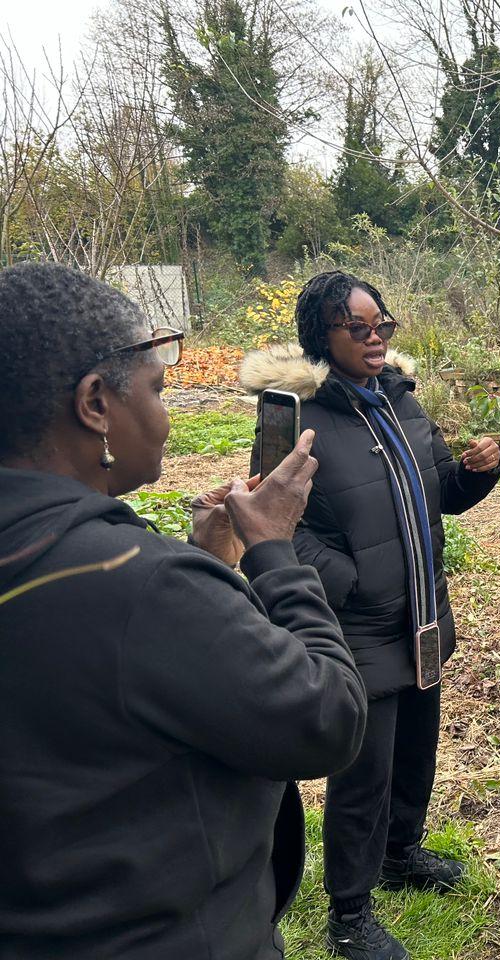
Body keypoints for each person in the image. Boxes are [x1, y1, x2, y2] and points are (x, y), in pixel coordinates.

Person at [0, 262, 368, 959]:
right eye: (158, 390)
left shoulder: (93, 570)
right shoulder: (145, 589)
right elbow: (328, 719)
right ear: (96, 405)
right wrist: (272, 552)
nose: (166, 418)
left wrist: (199, 561)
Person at [240, 270, 500, 960]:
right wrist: (348, 579)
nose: (375, 339)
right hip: (358, 627)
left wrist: (481, 469)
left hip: (421, 615)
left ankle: (402, 854)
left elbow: (442, 490)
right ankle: (350, 915)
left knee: (416, 751)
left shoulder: (402, 401)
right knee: (365, 776)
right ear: (321, 337)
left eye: (381, 324)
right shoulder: (294, 418)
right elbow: (271, 522)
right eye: (357, 328)